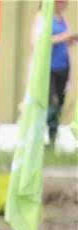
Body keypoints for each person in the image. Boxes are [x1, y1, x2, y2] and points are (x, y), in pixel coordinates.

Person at [31, 0, 77, 142]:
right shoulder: (42, 17)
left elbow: (64, 41)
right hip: (48, 68)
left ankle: (52, 138)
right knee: (52, 102)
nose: (64, 4)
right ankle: (37, 136)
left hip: (62, 67)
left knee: (60, 103)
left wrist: (71, 39)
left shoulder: (62, 19)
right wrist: (64, 37)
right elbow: (37, 41)